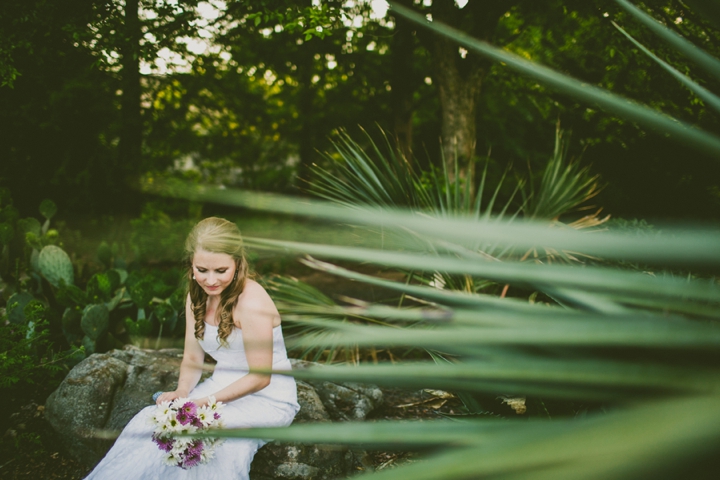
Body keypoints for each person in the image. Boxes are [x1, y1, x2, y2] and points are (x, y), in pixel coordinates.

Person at [85, 217, 300, 479]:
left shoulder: (251, 301)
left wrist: (202, 404)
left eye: (221, 271)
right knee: (152, 423)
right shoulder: (195, 296)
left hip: (267, 399)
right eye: (202, 270)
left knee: (214, 441)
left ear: (238, 263)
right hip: (220, 387)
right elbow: (192, 357)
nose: (210, 281)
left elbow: (260, 376)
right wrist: (182, 391)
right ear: (191, 265)